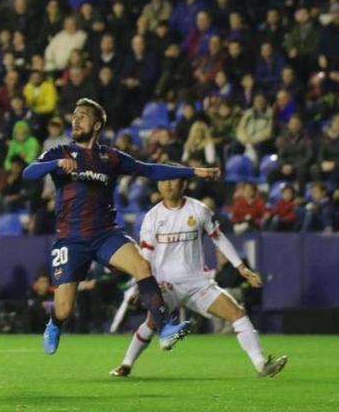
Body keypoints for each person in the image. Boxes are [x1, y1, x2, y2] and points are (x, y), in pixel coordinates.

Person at [22, 98, 221, 355]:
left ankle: (165, 329)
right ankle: (55, 322)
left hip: (105, 233)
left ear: (96, 125)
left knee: (141, 265)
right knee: (64, 309)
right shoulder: (60, 153)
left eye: (82, 116)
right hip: (70, 238)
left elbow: (149, 170)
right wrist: (55, 165)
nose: (75, 119)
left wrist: (193, 172)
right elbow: (29, 172)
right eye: (74, 115)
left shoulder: (110, 157)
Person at [112, 174, 287, 378]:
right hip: (166, 285)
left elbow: (218, 238)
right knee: (150, 324)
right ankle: (126, 364)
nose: (167, 184)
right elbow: (146, 256)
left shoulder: (199, 209)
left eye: (172, 179)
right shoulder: (152, 217)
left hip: (198, 285)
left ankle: (260, 365)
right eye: (162, 180)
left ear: (184, 183)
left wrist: (241, 267)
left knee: (237, 313)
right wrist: (141, 285)